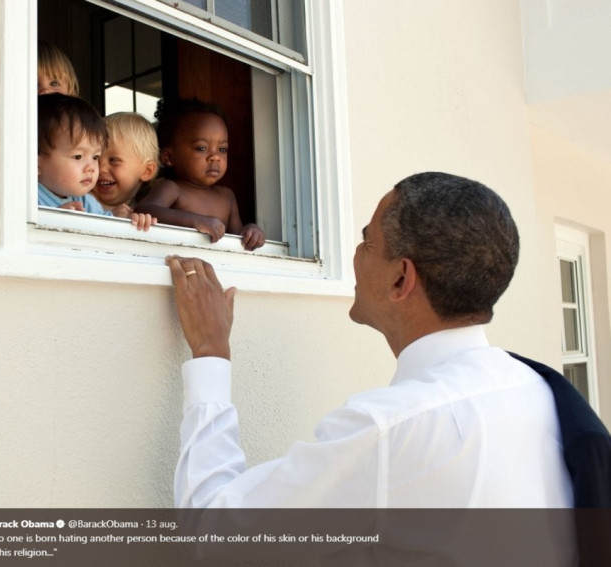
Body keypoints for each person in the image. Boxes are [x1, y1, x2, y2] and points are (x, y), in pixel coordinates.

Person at [165, 172, 573, 509]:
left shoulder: (389, 428)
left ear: (401, 278)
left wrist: (210, 353)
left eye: (367, 241)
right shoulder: (537, 390)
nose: (356, 254)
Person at [135, 98, 265, 251]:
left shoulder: (227, 197)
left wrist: (251, 232)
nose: (215, 157)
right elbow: (144, 209)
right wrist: (195, 221)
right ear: (169, 157)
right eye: (202, 148)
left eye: (222, 149)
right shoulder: (172, 188)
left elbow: (237, 238)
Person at [38, 94, 155, 231]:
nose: (92, 168)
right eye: (78, 156)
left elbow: (107, 233)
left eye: (95, 157)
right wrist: (51, 220)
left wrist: (130, 222)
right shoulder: (26, 197)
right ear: (36, 163)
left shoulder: (87, 202)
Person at [92, 112, 160, 220]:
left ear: (146, 171)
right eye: (95, 158)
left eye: (113, 160)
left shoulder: (142, 214)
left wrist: (142, 225)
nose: (100, 168)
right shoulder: (77, 200)